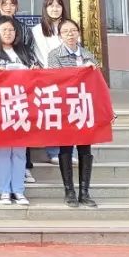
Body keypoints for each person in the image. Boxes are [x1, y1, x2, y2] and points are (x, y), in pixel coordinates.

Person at [0, 16, 40, 206]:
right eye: (4, 30)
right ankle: (4, 190)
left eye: (11, 30)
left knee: (19, 151)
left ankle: (18, 190)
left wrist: (33, 71)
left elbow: (38, 76)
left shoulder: (26, 52)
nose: (8, 33)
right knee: (2, 151)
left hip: (22, 107)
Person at [0, 0, 41, 180]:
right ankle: (4, 178)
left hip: (22, 97)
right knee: (2, 139)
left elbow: (35, 67)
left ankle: (24, 168)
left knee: (23, 132)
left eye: (12, 4)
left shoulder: (25, 42)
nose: (8, 7)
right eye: (4, 4)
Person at [47, 18, 100, 208]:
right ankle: (69, 191)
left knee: (85, 149)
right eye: (65, 32)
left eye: (73, 31)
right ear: (60, 36)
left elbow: (97, 83)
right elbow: (57, 80)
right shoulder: (54, 55)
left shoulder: (88, 55)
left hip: (84, 107)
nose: (70, 35)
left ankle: (85, 192)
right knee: (66, 149)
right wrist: (80, 72)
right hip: (65, 108)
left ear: (78, 33)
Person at [32, 0, 69, 165]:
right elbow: (40, 54)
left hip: (68, 77)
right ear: (45, 9)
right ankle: (53, 151)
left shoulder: (69, 27)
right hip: (48, 78)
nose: (55, 8)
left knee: (68, 114)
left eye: (58, 5)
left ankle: (68, 151)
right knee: (52, 114)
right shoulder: (37, 30)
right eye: (51, 5)